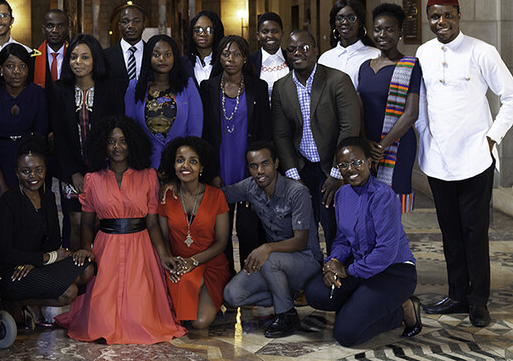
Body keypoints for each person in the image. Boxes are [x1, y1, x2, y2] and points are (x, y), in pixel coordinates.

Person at [417, 0, 513, 328]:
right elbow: (421, 105)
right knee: (450, 232)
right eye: (435, 16)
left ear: (459, 15)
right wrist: (424, 139)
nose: (441, 22)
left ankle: (478, 301)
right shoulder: (423, 53)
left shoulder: (482, 51)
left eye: (448, 15)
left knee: (474, 232)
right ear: (428, 18)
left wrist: (492, 138)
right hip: (438, 160)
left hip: (475, 159)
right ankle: (456, 295)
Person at [55, 115, 185, 344]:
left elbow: (152, 222)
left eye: (123, 140)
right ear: (102, 145)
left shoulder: (148, 176)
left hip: (141, 246)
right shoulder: (92, 179)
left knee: (142, 318)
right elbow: (87, 222)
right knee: (99, 322)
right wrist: (86, 248)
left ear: (132, 143)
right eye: (111, 141)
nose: (117, 147)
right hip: (107, 248)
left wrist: (164, 255)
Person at [303, 138, 421, 347]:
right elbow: (342, 238)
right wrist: (333, 262)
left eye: (357, 162)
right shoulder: (342, 195)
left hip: (394, 271)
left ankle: (401, 309)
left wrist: (346, 271)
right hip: (360, 267)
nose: (351, 169)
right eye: (344, 165)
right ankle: (362, 303)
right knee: (316, 293)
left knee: (346, 334)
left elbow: (386, 252)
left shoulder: (384, 196)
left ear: (369, 162)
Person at [221, 142, 323, 339]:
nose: (260, 171)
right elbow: (219, 195)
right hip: (274, 265)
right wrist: (183, 187)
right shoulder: (251, 187)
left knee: (268, 258)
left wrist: (266, 247)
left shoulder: (297, 192)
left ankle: (287, 315)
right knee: (232, 295)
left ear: (276, 163)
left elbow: (300, 241)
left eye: (265, 164)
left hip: (305, 261)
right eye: (253, 166)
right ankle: (286, 294)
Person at [271, 30, 361, 252]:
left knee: (335, 227)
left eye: (304, 48)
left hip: (332, 165)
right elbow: (281, 134)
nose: (297, 53)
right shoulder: (281, 87)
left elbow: (349, 128)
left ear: (316, 51)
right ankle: (310, 280)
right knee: (303, 229)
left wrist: (336, 172)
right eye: (291, 49)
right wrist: (293, 175)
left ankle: (338, 274)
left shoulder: (337, 80)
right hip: (302, 169)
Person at [0, 134, 94, 325]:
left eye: (38, 170)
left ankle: (32, 299)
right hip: (14, 273)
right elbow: (3, 252)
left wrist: (38, 262)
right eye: (26, 171)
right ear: (16, 173)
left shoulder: (48, 197)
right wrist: (40, 259)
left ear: (45, 170)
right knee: (69, 292)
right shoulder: (9, 201)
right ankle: (18, 301)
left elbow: (54, 242)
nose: (33, 176)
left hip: (38, 266)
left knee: (87, 269)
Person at [199, 35, 271, 270]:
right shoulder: (208, 88)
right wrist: (211, 172)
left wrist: (259, 175)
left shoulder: (257, 87)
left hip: (249, 171)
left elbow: (263, 132)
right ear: (219, 57)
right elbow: (204, 135)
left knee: (249, 229)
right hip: (219, 170)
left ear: (244, 58)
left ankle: (251, 281)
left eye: (236, 54)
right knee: (220, 231)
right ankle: (226, 279)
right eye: (225, 54)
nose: (230, 59)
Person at [49, 34, 126, 246]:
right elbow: (60, 136)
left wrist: (104, 170)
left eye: (85, 57)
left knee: (99, 222)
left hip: (105, 169)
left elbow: (117, 131)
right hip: (72, 170)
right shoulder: (59, 89)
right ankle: (77, 274)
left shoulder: (111, 88)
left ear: (95, 60)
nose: (78, 62)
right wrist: (73, 172)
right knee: (75, 222)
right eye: (73, 57)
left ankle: (99, 275)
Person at [156, 137, 231, 331]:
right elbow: (164, 239)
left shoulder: (217, 196)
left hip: (209, 263)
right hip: (178, 264)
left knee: (200, 322)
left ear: (202, 168)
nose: (186, 165)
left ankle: (205, 289)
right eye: (180, 160)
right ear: (173, 166)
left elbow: (222, 242)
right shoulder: (166, 196)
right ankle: (190, 289)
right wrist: (171, 261)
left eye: (193, 161)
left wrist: (194, 262)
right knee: (168, 318)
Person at [357, 3, 421, 212]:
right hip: (367, 146)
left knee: (392, 207)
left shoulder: (410, 65)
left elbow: (411, 114)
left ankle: (392, 245)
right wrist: (367, 143)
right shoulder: (365, 67)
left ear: (400, 32)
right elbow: (360, 109)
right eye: (377, 29)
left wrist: (381, 147)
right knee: (367, 204)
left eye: (389, 29)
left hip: (398, 145)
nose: (382, 34)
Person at [0, 43, 49, 204]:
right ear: (1, 69)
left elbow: (40, 140)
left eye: (22, 66)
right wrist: (0, 186)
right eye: (10, 66)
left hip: (31, 161)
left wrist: (32, 176)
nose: (16, 71)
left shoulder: (38, 94)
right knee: (6, 218)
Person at [124, 34, 203, 169]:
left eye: (168, 54)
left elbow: (195, 130)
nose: (162, 59)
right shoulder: (134, 88)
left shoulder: (188, 86)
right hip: (146, 165)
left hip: (180, 164)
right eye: (156, 55)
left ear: (174, 57)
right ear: (148, 57)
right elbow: (131, 130)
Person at [317, 0, 379, 89]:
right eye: (340, 18)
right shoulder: (325, 59)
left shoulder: (375, 55)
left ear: (360, 22)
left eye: (351, 18)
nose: (345, 22)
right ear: (335, 23)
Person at [251, 12, 290, 99]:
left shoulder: (291, 58)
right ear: (258, 36)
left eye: (275, 31)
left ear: (282, 34)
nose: (270, 36)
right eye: (265, 32)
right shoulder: (251, 62)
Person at [105, 4, 147, 81]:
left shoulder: (153, 53)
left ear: (144, 25)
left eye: (136, 21)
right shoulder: (105, 56)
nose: (131, 26)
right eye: (125, 22)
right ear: (119, 26)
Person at [183, 11, 225, 84]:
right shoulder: (182, 63)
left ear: (216, 32)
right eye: (198, 30)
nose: (203, 34)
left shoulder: (224, 62)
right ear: (192, 34)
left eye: (208, 30)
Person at [33, 8, 69, 89]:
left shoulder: (75, 56)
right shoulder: (31, 58)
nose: (55, 30)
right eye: (50, 26)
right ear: (43, 29)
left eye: (60, 26)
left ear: (68, 30)